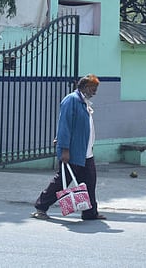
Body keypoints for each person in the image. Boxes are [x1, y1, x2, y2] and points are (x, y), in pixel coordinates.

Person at [32, 74, 107, 221]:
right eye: (93, 89)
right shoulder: (71, 100)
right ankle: (41, 207)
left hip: (86, 152)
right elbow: (64, 125)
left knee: (89, 182)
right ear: (85, 87)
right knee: (61, 182)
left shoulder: (83, 102)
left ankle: (90, 213)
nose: (95, 92)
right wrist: (64, 149)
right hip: (73, 152)